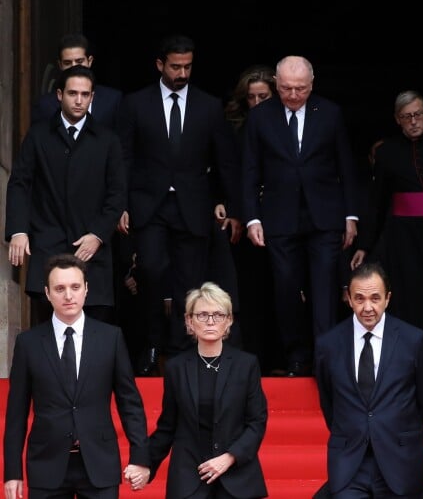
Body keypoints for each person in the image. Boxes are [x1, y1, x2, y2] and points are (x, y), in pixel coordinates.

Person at [117, 33, 242, 375]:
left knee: (190, 281)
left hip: (193, 206)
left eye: (187, 66)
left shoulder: (209, 105)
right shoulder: (135, 103)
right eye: (175, 66)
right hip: (149, 205)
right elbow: (124, 157)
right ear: (160, 65)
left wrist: (228, 204)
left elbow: (225, 161)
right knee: (152, 271)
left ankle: (180, 348)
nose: (182, 73)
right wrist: (122, 203)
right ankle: (153, 344)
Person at [242, 55, 359, 377]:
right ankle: (296, 355)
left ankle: (325, 358)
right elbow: (250, 170)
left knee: (324, 289)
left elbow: (346, 167)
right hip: (279, 218)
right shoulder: (260, 117)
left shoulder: (330, 113)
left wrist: (351, 215)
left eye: (300, 89)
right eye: (286, 89)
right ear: (276, 85)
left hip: (324, 216)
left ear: (312, 85)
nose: (293, 95)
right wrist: (252, 218)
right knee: (286, 289)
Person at [3, 253, 150, 499]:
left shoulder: (110, 338)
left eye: (75, 287)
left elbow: (130, 403)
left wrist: (141, 458)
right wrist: (12, 472)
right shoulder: (28, 343)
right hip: (46, 464)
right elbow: (16, 412)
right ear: (48, 293)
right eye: (59, 288)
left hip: (99, 462)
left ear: (86, 290)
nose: (68, 296)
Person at [6, 65, 126, 326]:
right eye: (73, 93)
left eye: (85, 94)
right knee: (47, 335)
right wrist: (18, 230)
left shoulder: (108, 141)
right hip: (47, 244)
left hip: (92, 252)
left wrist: (97, 235)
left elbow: (117, 194)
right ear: (59, 95)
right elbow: (19, 184)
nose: (79, 100)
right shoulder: (38, 135)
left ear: (93, 97)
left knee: (93, 339)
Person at [127, 281, 268, 498]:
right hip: (189, 479)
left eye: (218, 315)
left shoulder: (246, 365)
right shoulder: (176, 368)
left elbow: (256, 422)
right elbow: (168, 426)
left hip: (237, 477)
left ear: (228, 321)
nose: (210, 321)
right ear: (189, 321)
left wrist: (229, 457)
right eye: (202, 315)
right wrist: (144, 463)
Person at [313, 261, 423, 498]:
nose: (367, 307)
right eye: (359, 299)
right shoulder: (328, 344)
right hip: (350, 462)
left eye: (375, 298)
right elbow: (329, 402)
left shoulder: (413, 340)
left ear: (387, 298)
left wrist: (398, 433)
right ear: (348, 299)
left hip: (400, 459)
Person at [352, 91, 423, 348]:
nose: (414, 121)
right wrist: (365, 244)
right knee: (409, 297)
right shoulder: (387, 153)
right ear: (397, 119)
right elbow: (377, 202)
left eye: (418, 114)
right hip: (403, 238)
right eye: (407, 117)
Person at [218, 64, 284, 374]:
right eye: (252, 98)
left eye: (264, 97)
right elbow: (228, 173)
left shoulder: (286, 124)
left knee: (283, 288)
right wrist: (234, 209)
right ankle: (255, 359)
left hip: (281, 218)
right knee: (250, 292)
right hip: (245, 221)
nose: (258, 104)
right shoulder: (234, 128)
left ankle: (284, 360)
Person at [31, 32, 122, 130]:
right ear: (60, 65)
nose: (74, 67)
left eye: (79, 62)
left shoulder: (112, 100)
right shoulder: (44, 105)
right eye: (67, 63)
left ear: (89, 61)